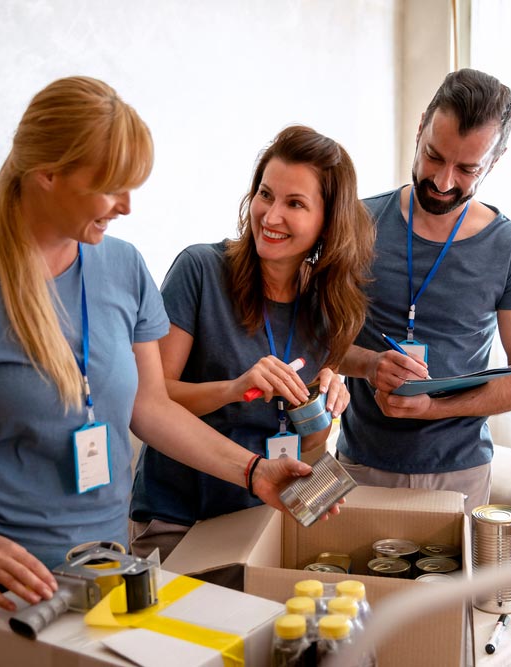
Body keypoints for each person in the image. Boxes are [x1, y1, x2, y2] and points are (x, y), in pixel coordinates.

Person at [0, 77, 335, 667]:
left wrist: (254, 471)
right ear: (48, 174)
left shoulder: (123, 267)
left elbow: (151, 407)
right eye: (111, 187)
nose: (127, 206)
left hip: (104, 580)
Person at [129, 125, 375, 560]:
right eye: (266, 194)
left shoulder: (331, 309)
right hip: (177, 518)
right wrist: (232, 389)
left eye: (294, 203)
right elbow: (150, 398)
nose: (271, 215)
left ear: (327, 223)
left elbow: (311, 452)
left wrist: (321, 418)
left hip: (259, 517)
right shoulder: (200, 270)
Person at [337, 68, 511, 512]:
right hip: (361, 465)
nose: (443, 181)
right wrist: (370, 364)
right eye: (434, 156)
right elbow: (315, 338)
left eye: (467, 168)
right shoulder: (359, 222)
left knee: (453, 586)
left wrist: (434, 409)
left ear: (496, 160)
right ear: (420, 129)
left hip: (460, 472)